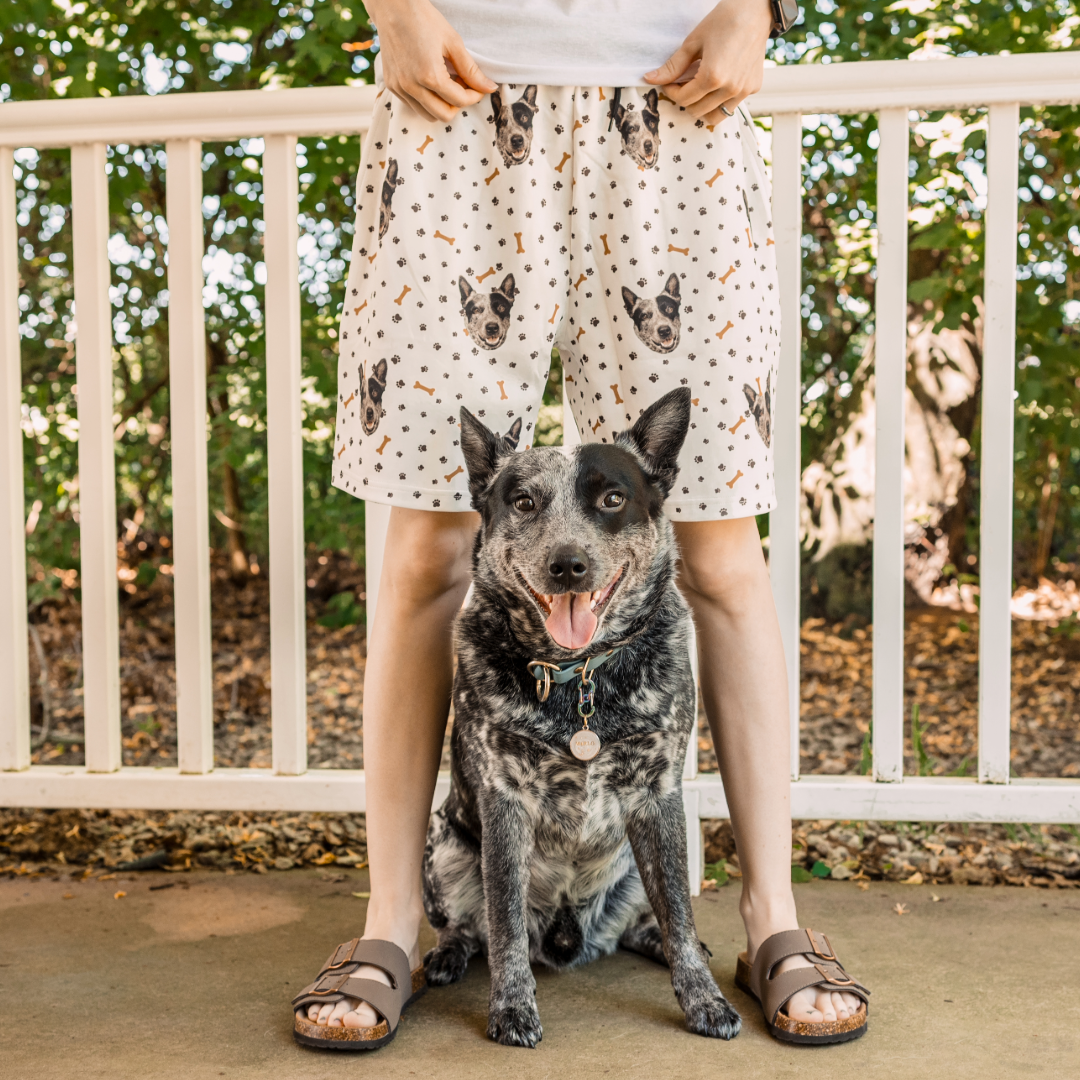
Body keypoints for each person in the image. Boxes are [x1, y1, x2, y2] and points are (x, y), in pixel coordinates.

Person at [291, 0, 869, 1050]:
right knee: (425, 552)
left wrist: (761, 6)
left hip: (678, 99)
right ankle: (391, 920)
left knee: (723, 552)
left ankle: (772, 914)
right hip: (455, 99)